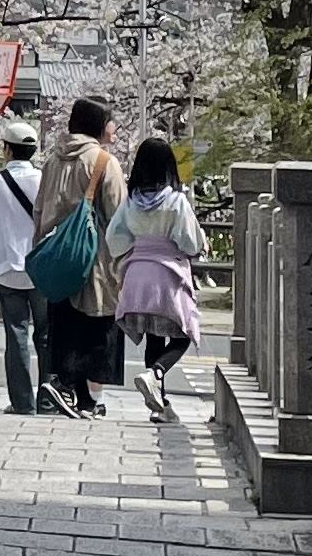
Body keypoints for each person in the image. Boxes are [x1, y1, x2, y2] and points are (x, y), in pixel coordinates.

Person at [32, 95, 124, 415]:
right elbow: (118, 218)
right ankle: (73, 390)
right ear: (98, 124)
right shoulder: (103, 162)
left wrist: (41, 249)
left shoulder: (52, 160)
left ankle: (76, 397)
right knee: (98, 331)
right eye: (111, 121)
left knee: (67, 326)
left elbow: (40, 209)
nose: (114, 127)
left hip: (58, 258)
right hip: (95, 262)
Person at [106, 134, 207, 409]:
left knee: (154, 336)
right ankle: (157, 373)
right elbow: (189, 241)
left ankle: (158, 402)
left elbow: (114, 238)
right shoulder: (176, 201)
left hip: (137, 275)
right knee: (183, 333)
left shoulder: (130, 202)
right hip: (166, 275)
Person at [0, 114, 45, 414]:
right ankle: (48, 398)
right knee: (45, 335)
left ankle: (21, 403)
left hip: (6, 268)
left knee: (15, 335)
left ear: (7, 149)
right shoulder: (44, 180)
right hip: (41, 269)